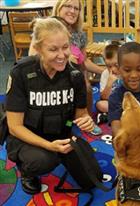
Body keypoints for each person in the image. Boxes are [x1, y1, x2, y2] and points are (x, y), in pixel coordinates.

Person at [5, 18, 95, 195]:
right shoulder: (21, 73)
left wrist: (87, 121)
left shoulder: (75, 75)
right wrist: (48, 145)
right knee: (43, 161)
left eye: (65, 47)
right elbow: (14, 127)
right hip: (27, 137)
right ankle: (27, 172)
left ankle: (58, 154)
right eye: (53, 49)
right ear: (38, 49)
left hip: (62, 135)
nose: (62, 55)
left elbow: (81, 115)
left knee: (92, 179)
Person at [108, 42, 140, 137]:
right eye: (127, 70)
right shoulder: (115, 98)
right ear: (119, 69)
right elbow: (117, 134)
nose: (134, 75)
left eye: (139, 69)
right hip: (128, 147)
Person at [96, 43, 120, 116]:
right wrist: (109, 84)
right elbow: (103, 97)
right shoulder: (105, 74)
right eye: (109, 66)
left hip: (127, 102)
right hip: (113, 103)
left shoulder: (126, 71)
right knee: (99, 104)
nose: (112, 69)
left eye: (116, 65)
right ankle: (120, 113)